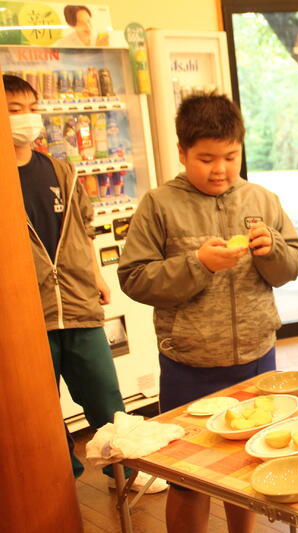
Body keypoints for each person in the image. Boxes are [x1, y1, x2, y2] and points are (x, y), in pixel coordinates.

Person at [118, 93, 298, 533]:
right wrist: (197, 264)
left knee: (248, 469)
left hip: (257, 360)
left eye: (230, 156)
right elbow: (135, 278)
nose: (220, 169)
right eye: (206, 159)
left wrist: (273, 251)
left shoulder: (262, 199)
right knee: (188, 479)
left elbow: (293, 264)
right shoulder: (159, 205)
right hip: (189, 365)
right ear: (182, 152)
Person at [3, 74, 165, 493]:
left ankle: (125, 472)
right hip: (28, 316)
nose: (27, 118)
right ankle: (59, 480)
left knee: (105, 396)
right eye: (14, 110)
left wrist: (95, 276)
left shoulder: (61, 170)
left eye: (32, 108)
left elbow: (83, 229)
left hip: (78, 302)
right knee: (40, 411)